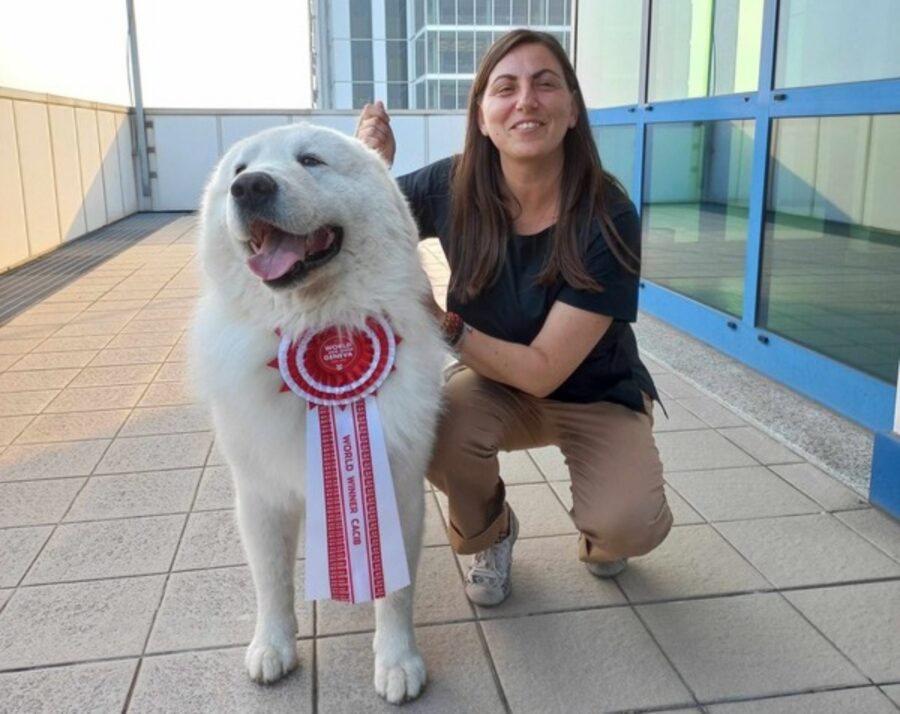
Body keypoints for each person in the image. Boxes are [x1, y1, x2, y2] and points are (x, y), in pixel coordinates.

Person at [356, 29, 672, 607]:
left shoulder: (607, 214)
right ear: (482, 115)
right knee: (436, 435)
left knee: (629, 524)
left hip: (596, 390)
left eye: (545, 84)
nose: (525, 100)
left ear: (572, 108)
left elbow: (545, 370)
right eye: (505, 88)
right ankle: (492, 533)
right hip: (495, 385)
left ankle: (605, 531)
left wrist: (439, 320)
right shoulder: (452, 185)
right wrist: (369, 163)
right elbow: (357, 218)